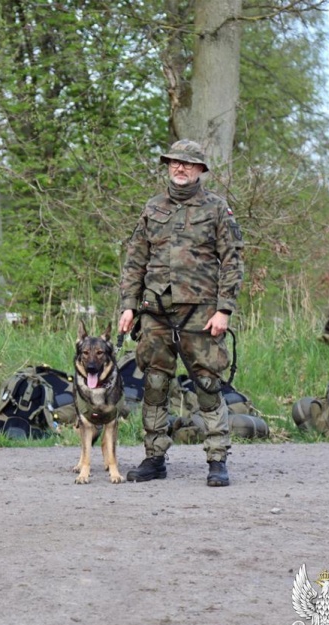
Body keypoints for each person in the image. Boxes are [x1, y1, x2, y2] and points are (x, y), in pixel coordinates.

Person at [117, 139, 244, 486]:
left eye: (188, 164)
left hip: (200, 311)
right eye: (174, 163)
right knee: (155, 384)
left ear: (201, 169)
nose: (180, 169)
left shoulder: (217, 209)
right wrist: (128, 306)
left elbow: (232, 261)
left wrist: (224, 310)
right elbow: (134, 260)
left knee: (206, 382)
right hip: (155, 310)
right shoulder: (153, 207)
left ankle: (217, 459)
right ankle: (154, 457)